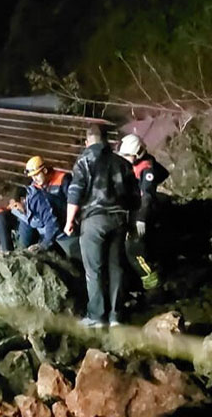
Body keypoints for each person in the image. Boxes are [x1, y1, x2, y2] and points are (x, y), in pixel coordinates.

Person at [65, 125, 139, 327]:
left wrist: (69, 221)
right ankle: (116, 316)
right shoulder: (122, 163)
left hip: (94, 221)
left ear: (87, 141)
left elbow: (75, 192)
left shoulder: (84, 161)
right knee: (116, 268)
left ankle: (96, 316)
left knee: (94, 270)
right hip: (119, 220)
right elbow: (135, 198)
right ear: (106, 140)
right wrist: (132, 224)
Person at [118, 134, 169, 291]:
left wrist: (141, 217)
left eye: (127, 156)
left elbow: (147, 195)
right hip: (138, 206)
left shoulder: (147, 170)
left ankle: (152, 281)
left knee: (133, 248)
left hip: (145, 210)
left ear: (137, 154)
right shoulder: (139, 164)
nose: (124, 159)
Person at [18, 155, 75, 256]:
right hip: (46, 222)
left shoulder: (63, 179)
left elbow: (72, 203)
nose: (34, 179)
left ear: (44, 171)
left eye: (36, 175)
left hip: (62, 220)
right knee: (25, 220)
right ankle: (22, 252)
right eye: (32, 176)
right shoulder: (36, 186)